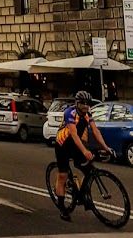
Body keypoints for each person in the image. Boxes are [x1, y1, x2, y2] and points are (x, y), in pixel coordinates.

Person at [54, 90, 112, 221]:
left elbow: (95, 131)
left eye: (88, 103)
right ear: (77, 103)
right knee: (63, 175)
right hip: (63, 144)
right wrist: (85, 151)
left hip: (76, 145)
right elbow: (74, 135)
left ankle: (82, 196)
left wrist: (105, 147)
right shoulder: (70, 113)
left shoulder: (88, 113)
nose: (86, 106)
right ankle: (62, 208)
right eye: (83, 103)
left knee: (89, 169)